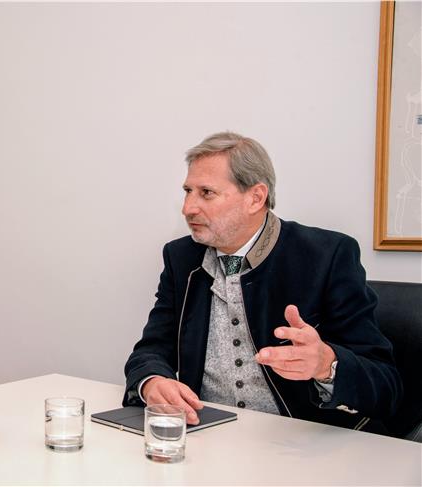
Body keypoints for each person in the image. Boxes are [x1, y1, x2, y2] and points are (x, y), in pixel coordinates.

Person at [123, 131, 402, 431]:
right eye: (187, 191)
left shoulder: (327, 256)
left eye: (206, 193)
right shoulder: (181, 259)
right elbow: (150, 350)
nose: (188, 208)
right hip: (208, 438)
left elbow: (386, 386)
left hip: (302, 447)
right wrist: (152, 382)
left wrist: (327, 365)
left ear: (256, 197)